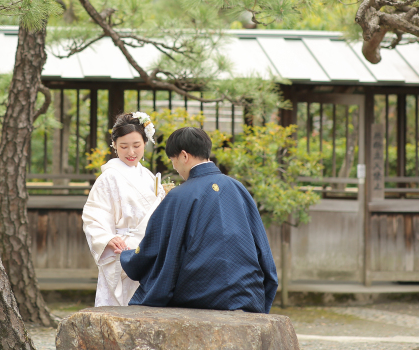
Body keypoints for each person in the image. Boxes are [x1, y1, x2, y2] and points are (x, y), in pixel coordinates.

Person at [120, 126, 278, 313]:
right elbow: (262, 248)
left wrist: (129, 257)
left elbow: (154, 247)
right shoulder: (238, 188)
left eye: (173, 160)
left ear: (184, 156)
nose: (174, 167)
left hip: (199, 293)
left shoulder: (179, 196)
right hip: (247, 293)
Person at [82, 112, 166, 307]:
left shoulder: (148, 177)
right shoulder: (109, 177)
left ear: (145, 143)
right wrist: (107, 238)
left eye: (136, 145)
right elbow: (94, 215)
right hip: (122, 251)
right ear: (114, 145)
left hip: (150, 251)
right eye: (123, 146)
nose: (131, 152)